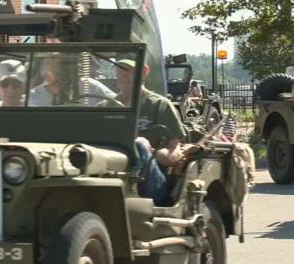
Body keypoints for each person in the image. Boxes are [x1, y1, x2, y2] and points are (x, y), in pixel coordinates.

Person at [115, 57, 196, 205]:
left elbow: (175, 153)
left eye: (128, 71)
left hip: (151, 184)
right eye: (119, 70)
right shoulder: (108, 106)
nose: (123, 76)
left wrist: (149, 151)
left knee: (139, 144)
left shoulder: (160, 106)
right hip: (112, 176)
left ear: (144, 72)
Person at [28, 54, 116, 107]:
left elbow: (118, 103)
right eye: (51, 59)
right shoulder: (33, 95)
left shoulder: (89, 84)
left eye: (60, 60)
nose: (57, 64)